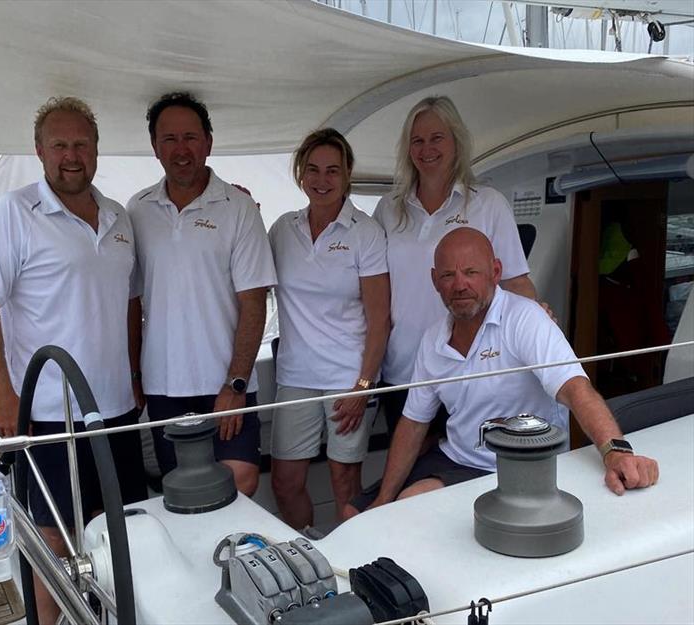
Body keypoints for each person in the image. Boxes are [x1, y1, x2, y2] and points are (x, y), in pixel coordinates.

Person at [0, 97, 147, 625]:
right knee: (53, 543)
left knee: (113, 532)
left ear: (96, 150)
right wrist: (3, 395)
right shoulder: (14, 212)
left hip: (113, 409)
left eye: (82, 144)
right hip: (45, 413)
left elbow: (130, 304)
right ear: (39, 151)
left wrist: (134, 376)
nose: (72, 155)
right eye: (60, 145)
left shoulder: (117, 217)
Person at [346, 228, 659, 516]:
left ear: (495, 272)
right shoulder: (432, 340)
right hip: (455, 457)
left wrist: (615, 452)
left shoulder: (525, 319)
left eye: (471, 272)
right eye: (447, 275)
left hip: (518, 465)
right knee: (354, 514)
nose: (459, 285)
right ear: (434, 280)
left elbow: (576, 390)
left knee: (409, 506)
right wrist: (380, 503)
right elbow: (413, 425)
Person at [127, 92, 276, 496]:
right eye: (169, 139)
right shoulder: (136, 210)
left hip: (226, 381)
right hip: (164, 386)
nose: (181, 149)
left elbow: (253, 302)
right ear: (155, 147)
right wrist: (136, 376)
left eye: (190, 137)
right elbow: (131, 301)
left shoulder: (239, 208)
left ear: (208, 142)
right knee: (182, 493)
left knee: (240, 481)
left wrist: (237, 383)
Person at [373, 96, 539, 439]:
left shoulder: (488, 204)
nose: (426, 148)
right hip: (403, 368)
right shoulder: (388, 209)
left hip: (472, 368)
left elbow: (516, 283)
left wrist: (539, 329)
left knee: (469, 473)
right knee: (411, 479)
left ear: (456, 141)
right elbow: (372, 289)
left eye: (437, 138)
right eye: (417, 140)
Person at [268, 129, 390, 529]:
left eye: (332, 171)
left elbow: (380, 321)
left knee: (344, 483)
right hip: (296, 375)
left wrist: (363, 386)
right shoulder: (282, 230)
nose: (322, 180)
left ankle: (350, 568)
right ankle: (309, 552)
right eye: (313, 170)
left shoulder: (366, 233)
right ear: (301, 174)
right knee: (285, 483)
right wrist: (243, 206)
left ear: (348, 173)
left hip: (346, 377)